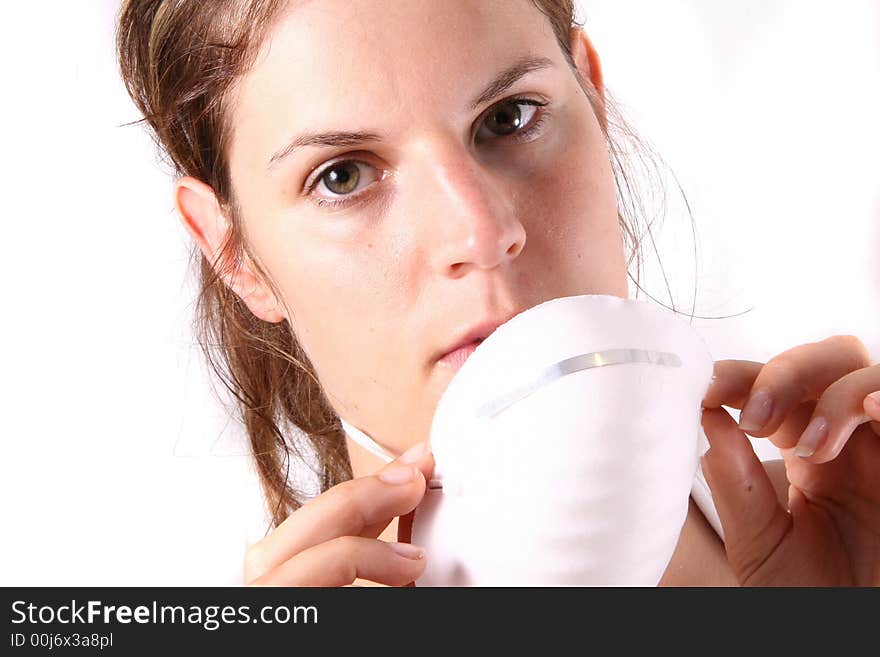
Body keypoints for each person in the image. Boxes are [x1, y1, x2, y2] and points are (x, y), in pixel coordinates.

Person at [116, 0, 880, 586]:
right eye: (342, 175)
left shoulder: (851, 536)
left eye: (509, 118)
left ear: (594, 102)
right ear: (235, 252)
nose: (481, 233)